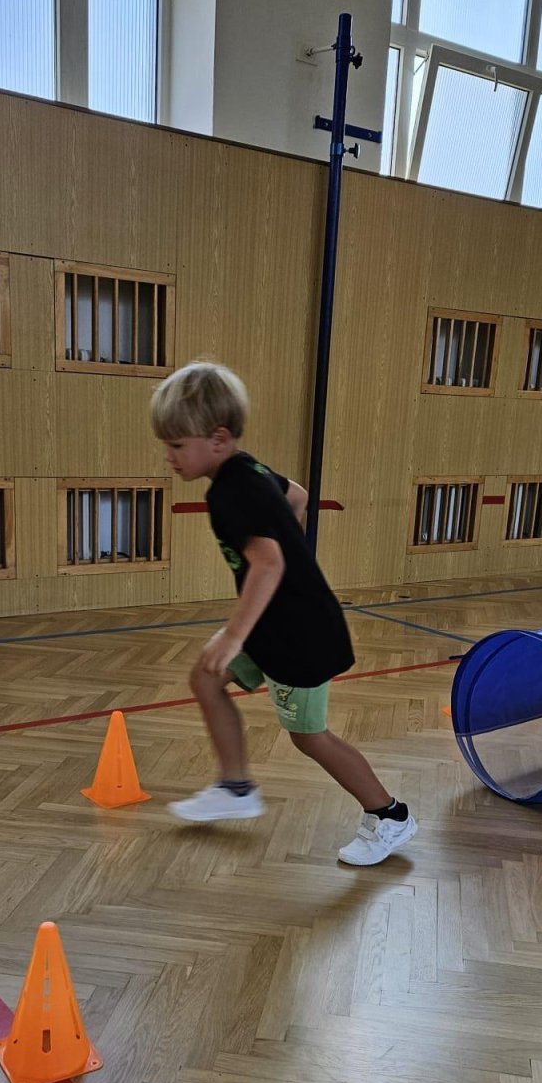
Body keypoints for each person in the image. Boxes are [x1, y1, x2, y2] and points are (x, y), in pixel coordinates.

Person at [150, 361, 417, 866]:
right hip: (275, 624)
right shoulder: (247, 469)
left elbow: (268, 564)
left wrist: (233, 635)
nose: (169, 456)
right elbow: (298, 496)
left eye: (177, 445)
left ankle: (389, 815)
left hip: (300, 636)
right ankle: (235, 787)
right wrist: (290, 550)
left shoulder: (229, 492)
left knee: (309, 737)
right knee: (206, 678)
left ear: (218, 438)